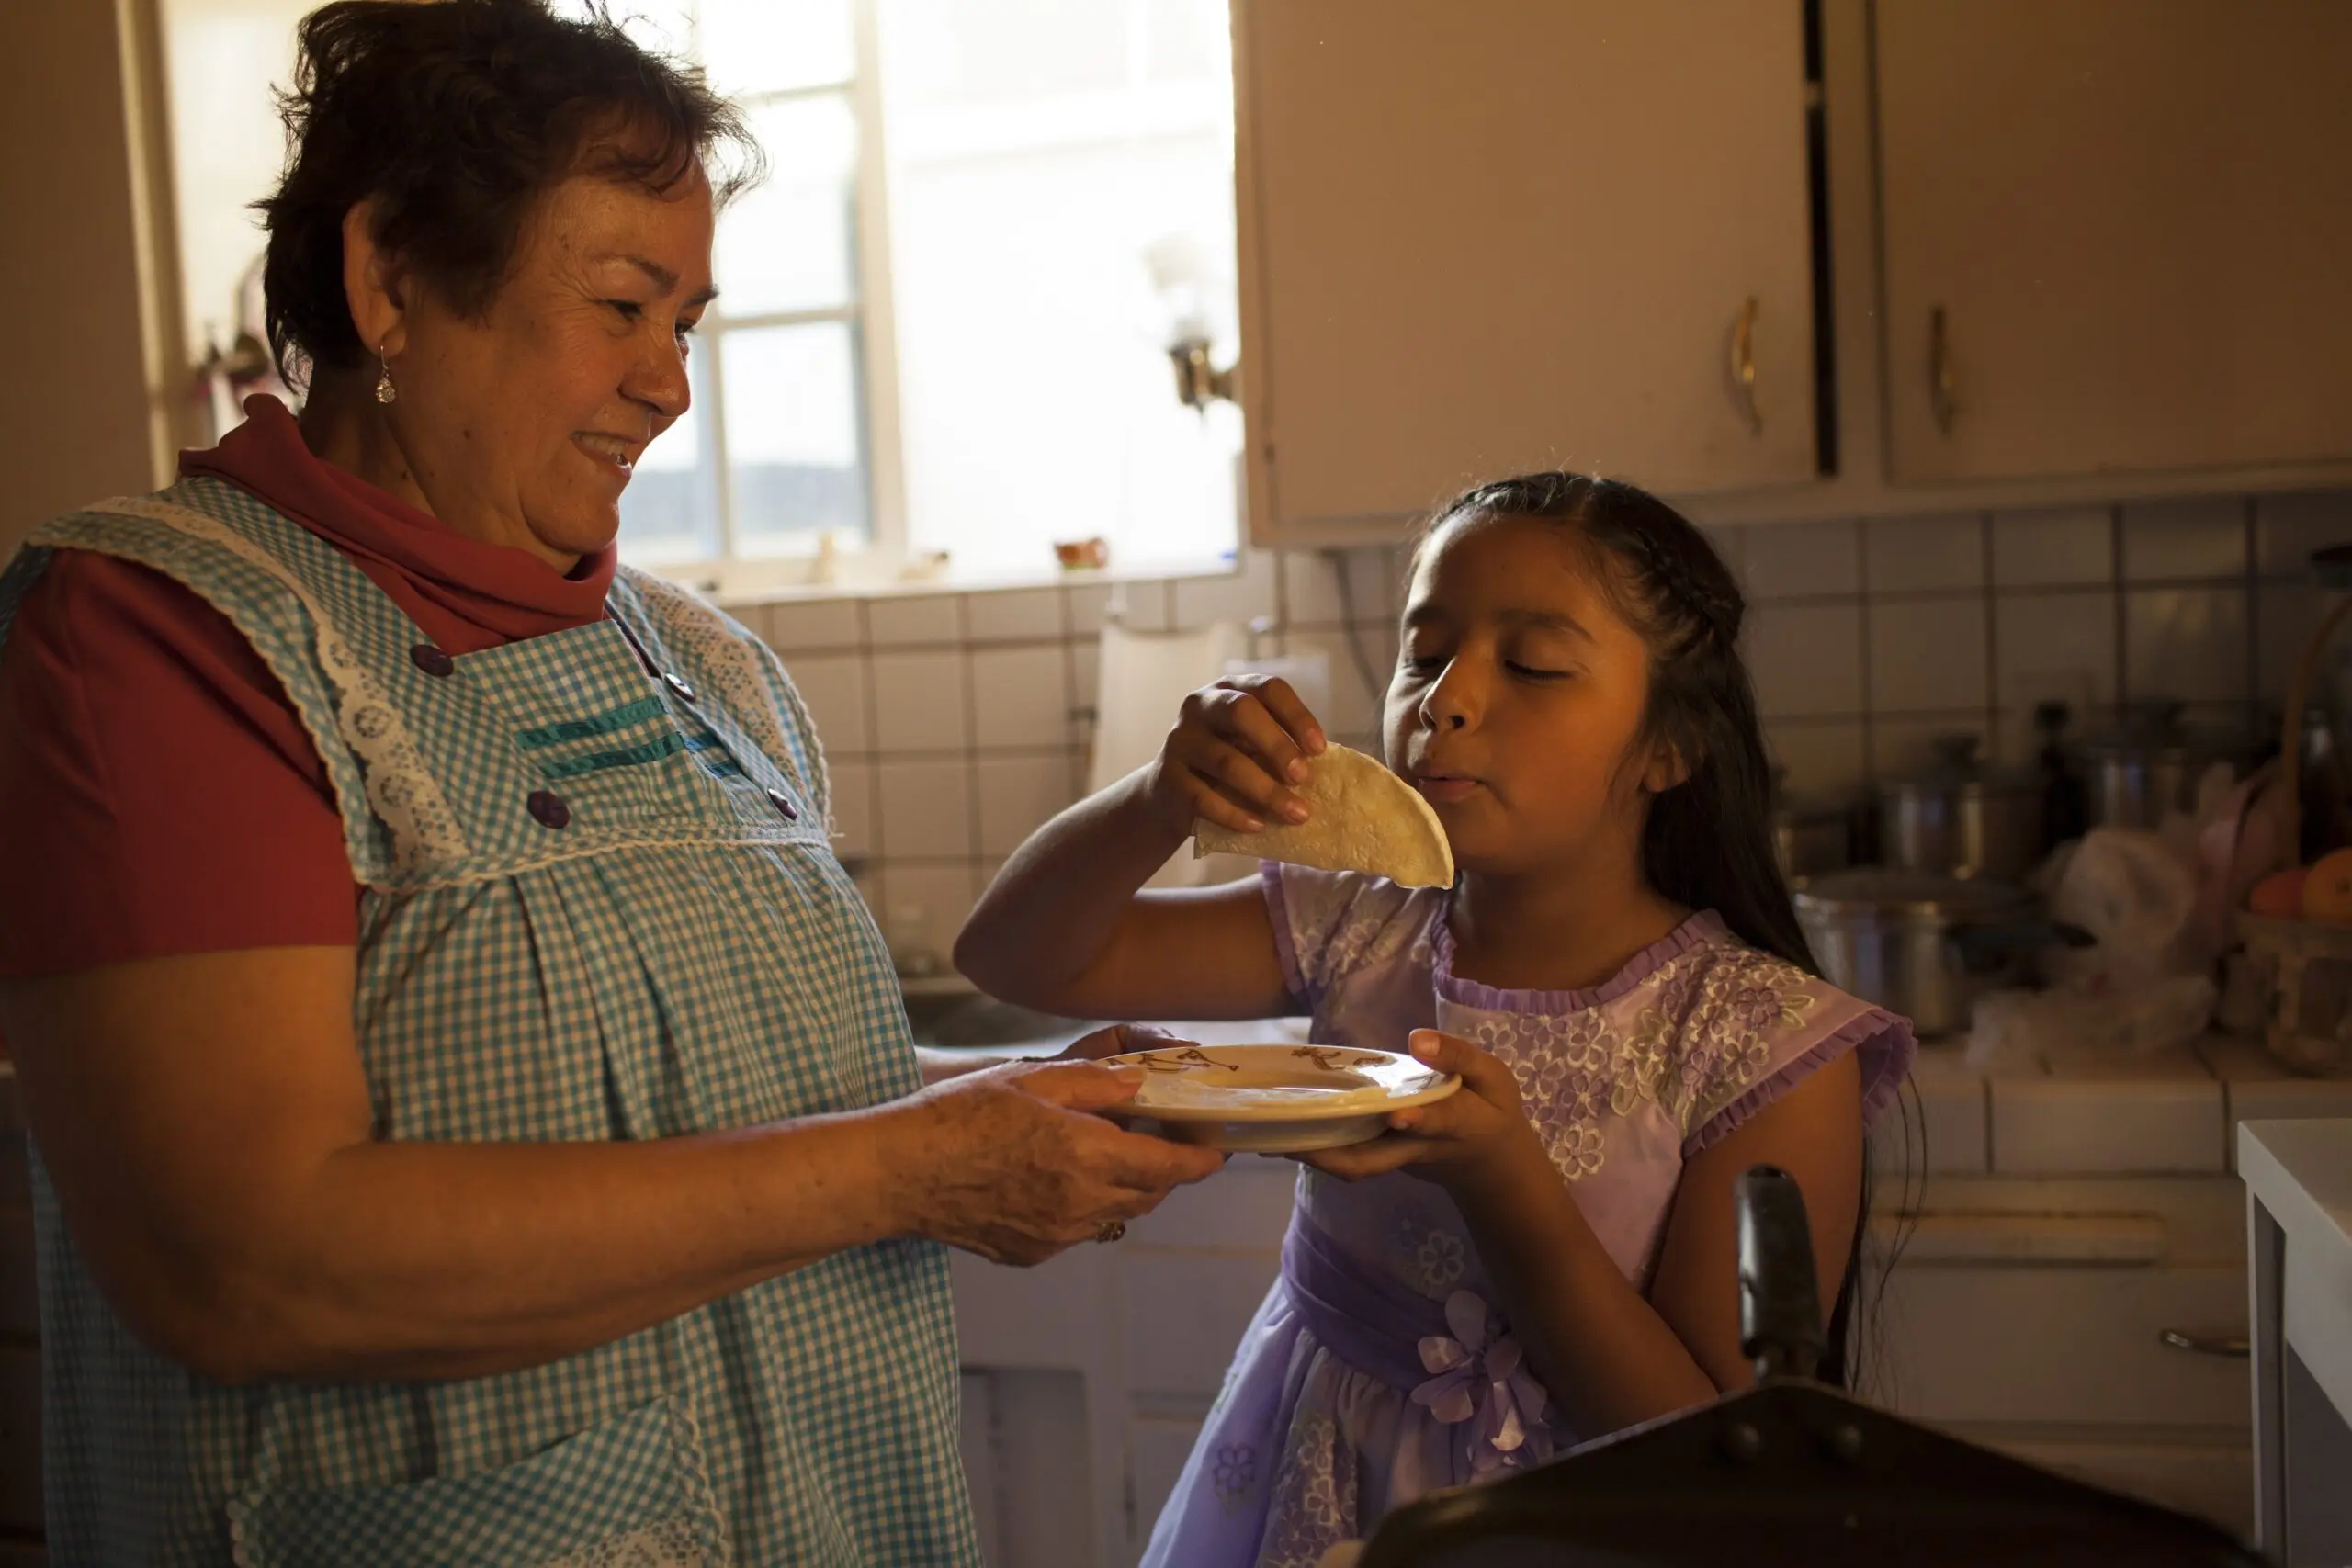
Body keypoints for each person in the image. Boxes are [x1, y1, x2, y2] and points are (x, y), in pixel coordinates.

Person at [0, 4, 1221, 1563]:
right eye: (622, 305)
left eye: (687, 323)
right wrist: (919, 1162)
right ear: (389, 282)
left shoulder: (705, 669)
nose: (670, 387)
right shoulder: (167, 639)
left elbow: (731, 1131)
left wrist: (1011, 1114)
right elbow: (247, 1262)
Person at [956, 472, 1919, 1564]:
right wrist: (1160, 800)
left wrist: (1501, 1179)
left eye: (1533, 664)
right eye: (1425, 654)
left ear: (1670, 747)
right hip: (1313, 1494)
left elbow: (1713, 1456)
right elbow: (1013, 956)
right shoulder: (1359, 922)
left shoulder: (1758, 1042)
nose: (1446, 697)